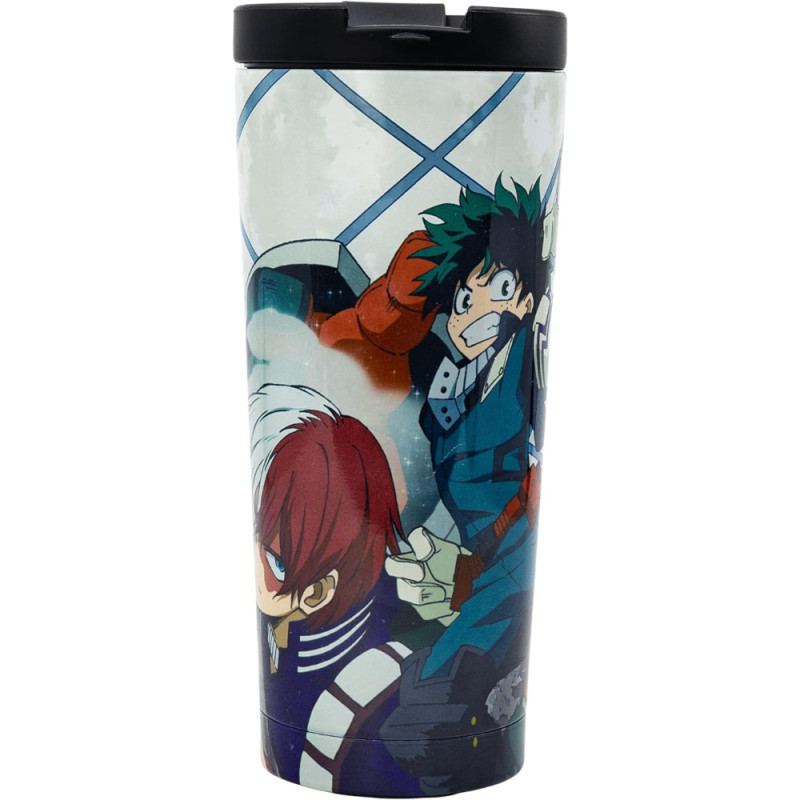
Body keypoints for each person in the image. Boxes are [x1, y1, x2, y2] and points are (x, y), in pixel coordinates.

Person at [250, 384, 418, 795]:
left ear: (318, 591)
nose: (257, 558)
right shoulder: (284, 635)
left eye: (275, 560)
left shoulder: (372, 693)